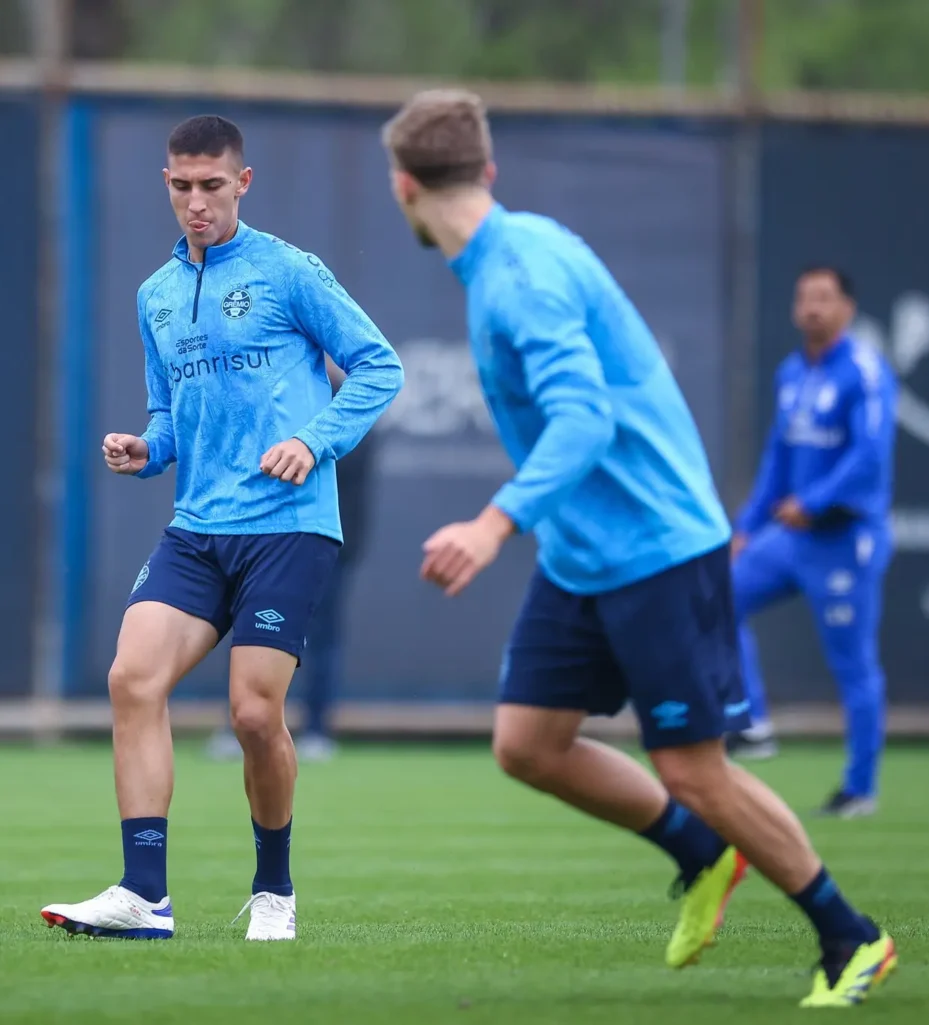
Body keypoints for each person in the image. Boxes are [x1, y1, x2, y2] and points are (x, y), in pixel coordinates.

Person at [381, 88, 896, 1008]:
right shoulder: (512, 249)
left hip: (658, 550)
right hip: (585, 553)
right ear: (488, 172)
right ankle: (699, 854)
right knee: (528, 743)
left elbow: (584, 416)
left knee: (696, 770)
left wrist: (493, 522)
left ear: (402, 186)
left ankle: (849, 935)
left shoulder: (521, 277)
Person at [41, 115, 403, 942]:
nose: (196, 203)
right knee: (132, 679)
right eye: (181, 186)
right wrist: (146, 447)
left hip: (289, 527)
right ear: (165, 184)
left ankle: (274, 890)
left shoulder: (288, 271)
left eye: (212, 186)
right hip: (199, 529)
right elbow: (169, 416)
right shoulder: (155, 296)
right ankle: (144, 895)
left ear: (243, 183)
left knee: (250, 714)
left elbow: (380, 364)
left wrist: (313, 441)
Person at [728, 267, 896, 819]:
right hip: (790, 537)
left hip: (844, 537)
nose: (812, 308)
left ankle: (859, 788)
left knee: (853, 665)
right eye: (804, 297)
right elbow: (778, 457)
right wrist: (747, 526)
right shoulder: (792, 372)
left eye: (824, 298)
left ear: (847, 307)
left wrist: (815, 501)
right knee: (717, 598)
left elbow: (868, 455)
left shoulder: (865, 371)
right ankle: (753, 724)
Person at [205, 353, 380, 763]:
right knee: (249, 632)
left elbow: (342, 471)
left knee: (321, 640)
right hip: (266, 538)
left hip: (328, 542)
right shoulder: (277, 395)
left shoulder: (350, 402)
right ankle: (238, 729)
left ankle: (317, 729)